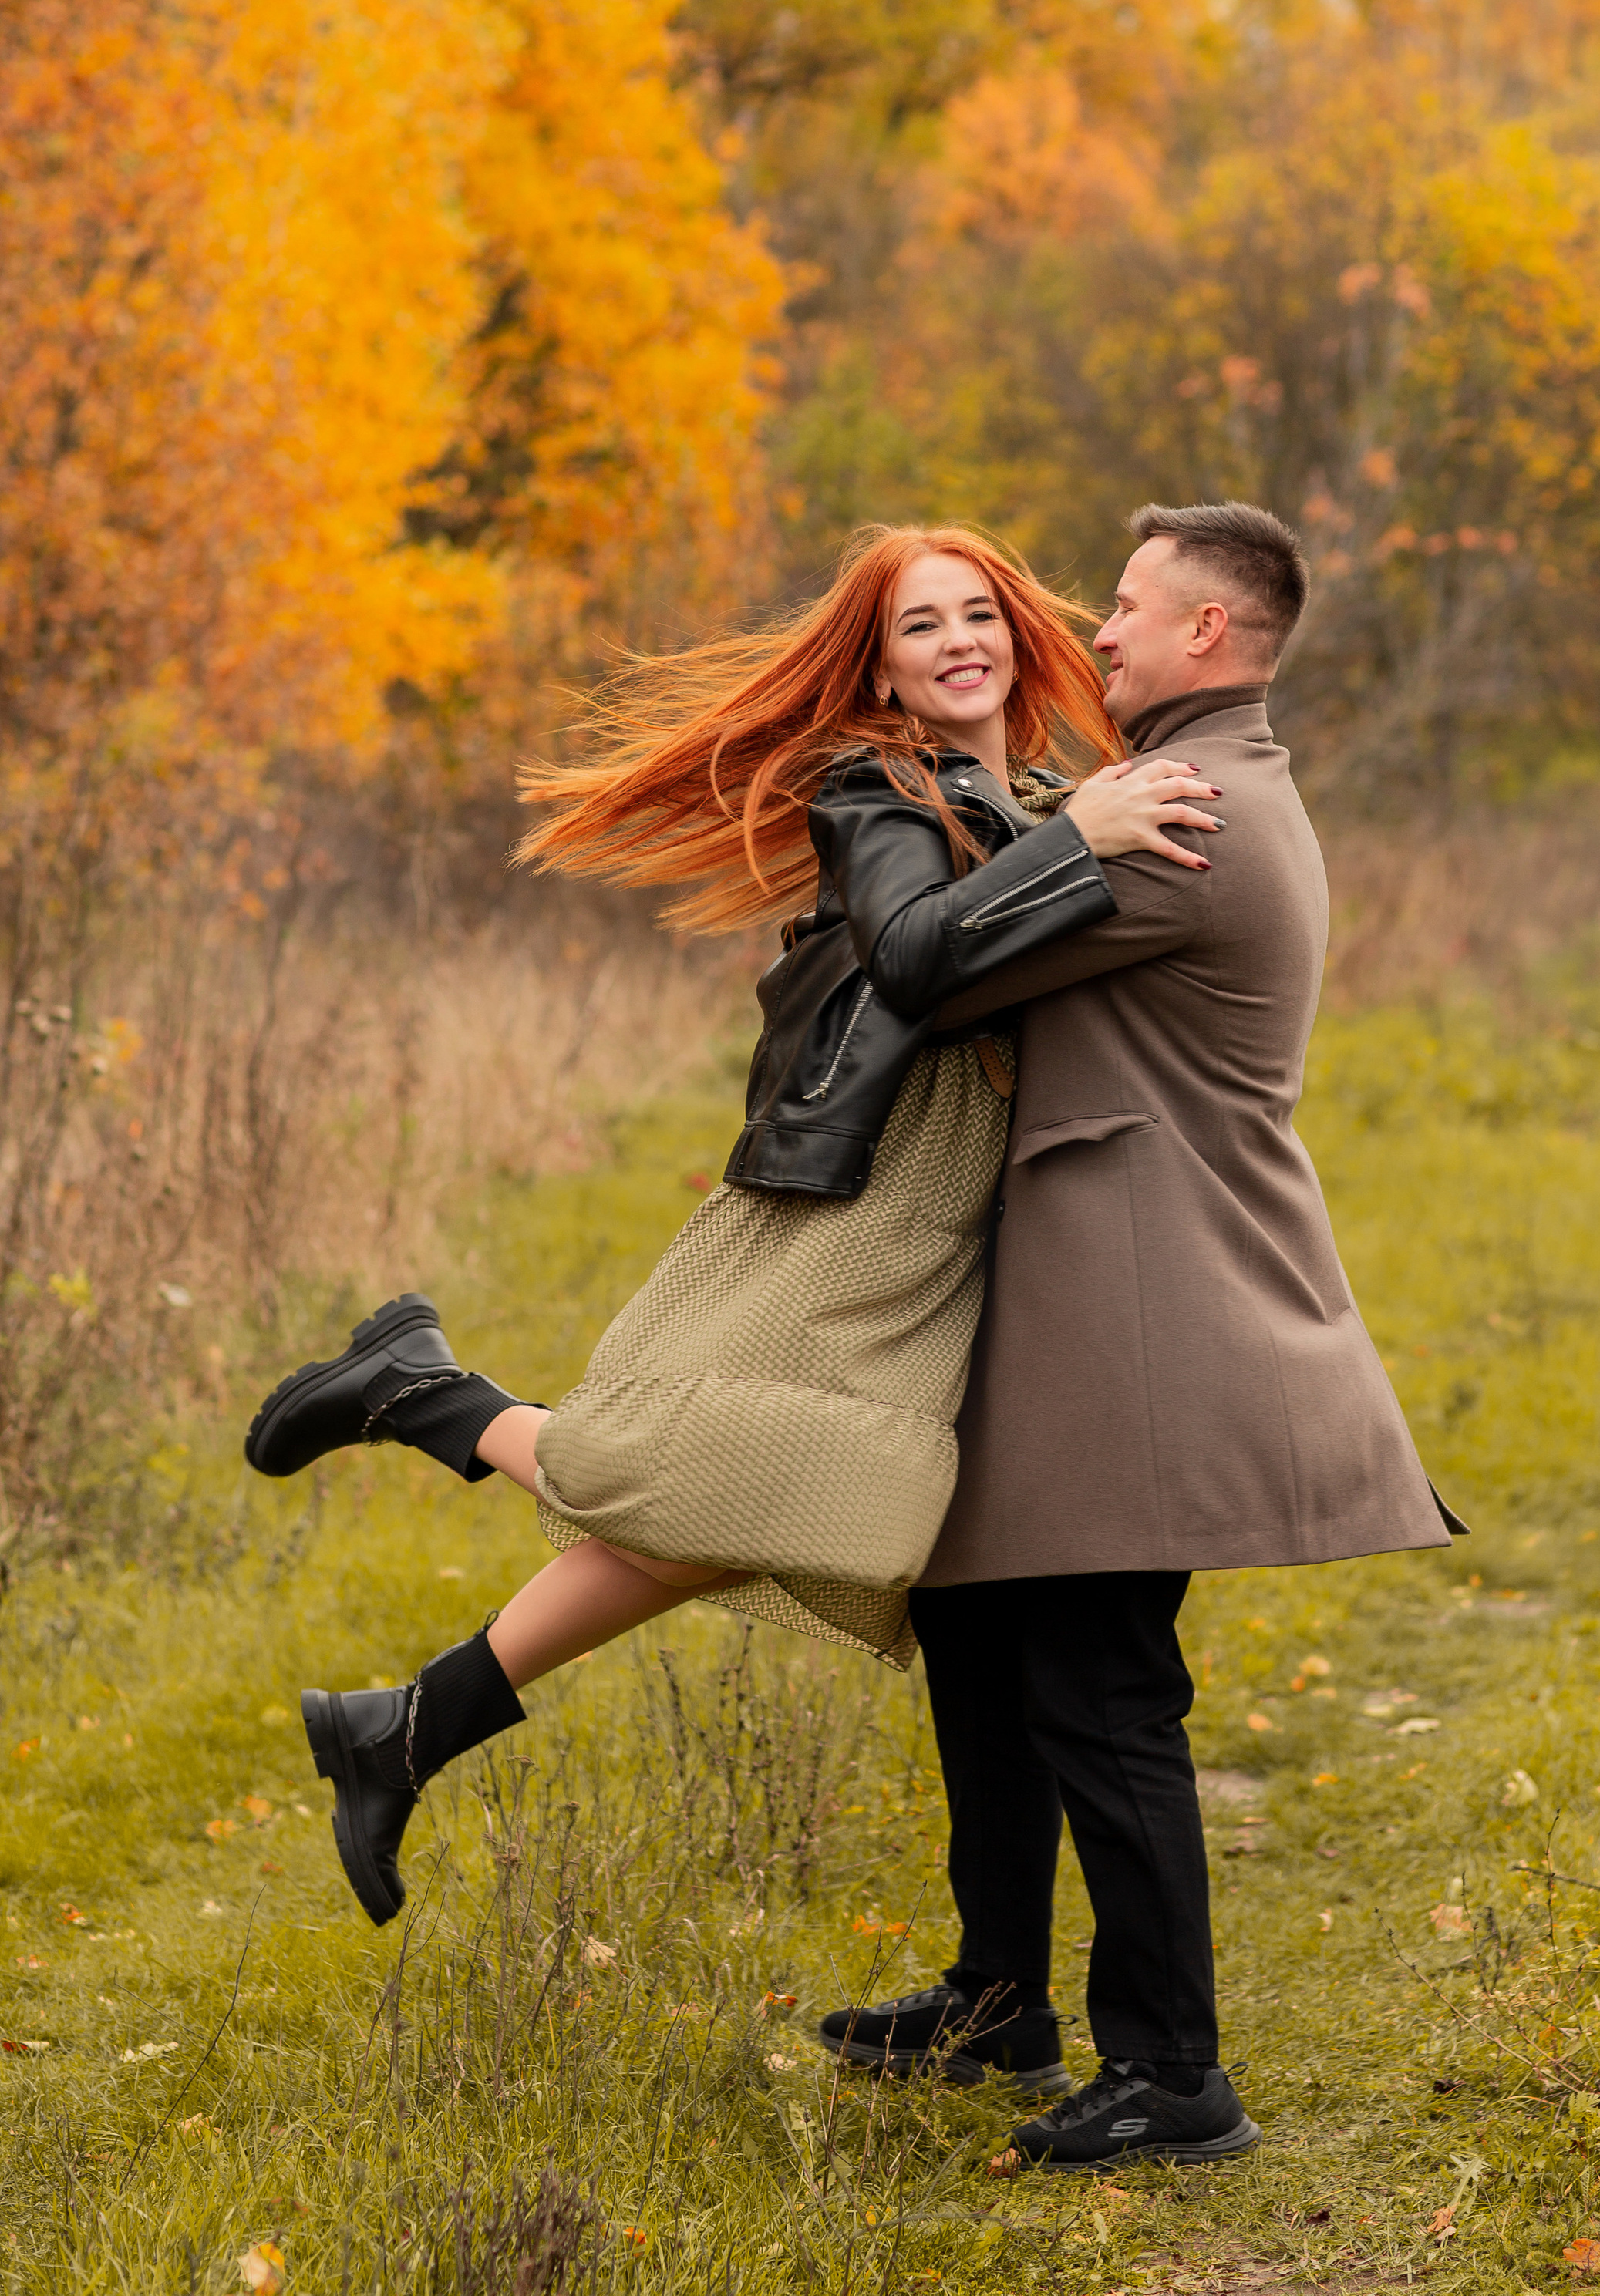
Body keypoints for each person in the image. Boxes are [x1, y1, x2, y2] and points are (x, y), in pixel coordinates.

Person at [241, 524, 1221, 1959]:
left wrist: (1090, 827)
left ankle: (406, 1710)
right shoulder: (873, 789)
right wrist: (1084, 843)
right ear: (878, 665)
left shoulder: (1049, 796)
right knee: (747, 1472)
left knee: (805, 1497)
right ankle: (425, 1407)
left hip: (952, 1220)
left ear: (1017, 631)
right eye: (919, 628)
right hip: (857, 1190)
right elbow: (916, 953)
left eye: (977, 616)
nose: (958, 644)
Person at [820, 502, 1464, 2170]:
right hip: (1092, 1296)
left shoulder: (1187, 813)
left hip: (1153, 1313)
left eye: (1121, 610)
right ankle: (997, 2000)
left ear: (1202, 639)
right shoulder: (1180, 790)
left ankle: (1174, 2074)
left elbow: (939, 981)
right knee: (980, 1645)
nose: (1088, 634)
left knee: (1100, 1689)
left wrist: (1037, 835)